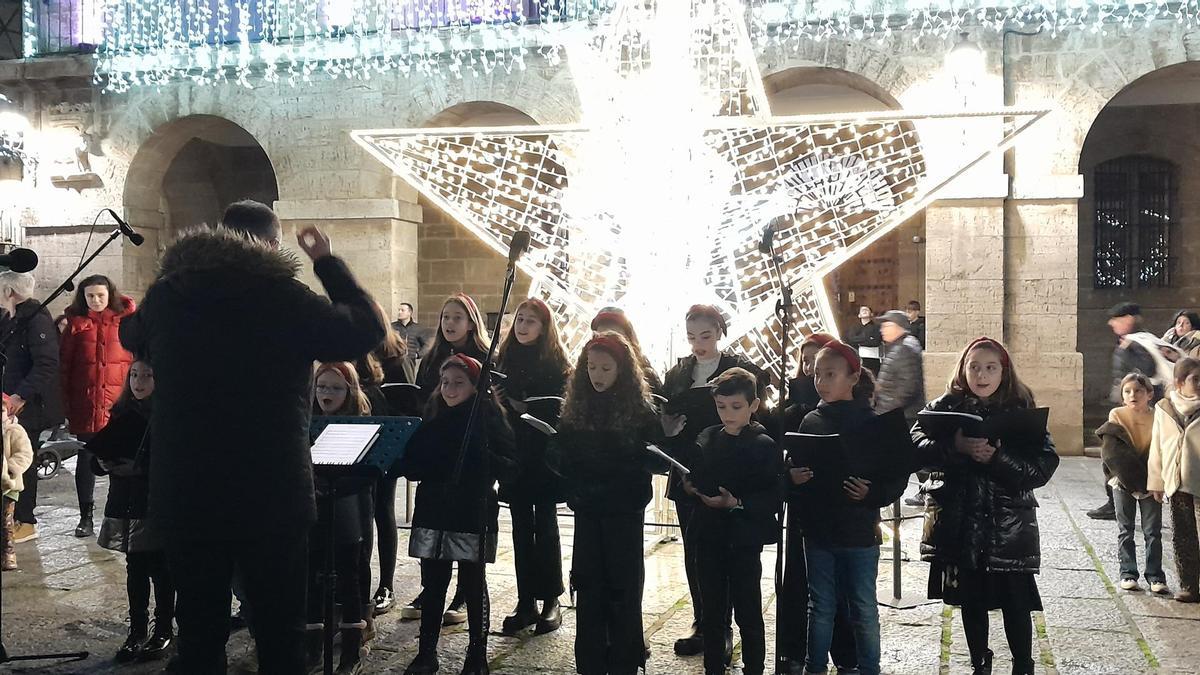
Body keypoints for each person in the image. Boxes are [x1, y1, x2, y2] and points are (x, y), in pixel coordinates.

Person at [118, 200, 385, 673]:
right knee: (279, 631)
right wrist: (326, 262)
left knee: (198, 632)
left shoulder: (169, 295)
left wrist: (170, 275)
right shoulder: (284, 296)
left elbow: (129, 331)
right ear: (272, 245)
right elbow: (366, 328)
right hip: (270, 488)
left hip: (188, 487)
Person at [911, 337, 1060, 675]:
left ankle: (1023, 664)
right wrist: (956, 446)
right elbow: (916, 444)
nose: (981, 374)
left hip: (1007, 527)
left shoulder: (1022, 408)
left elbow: (1043, 466)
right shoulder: (945, 406)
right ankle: (980, 661)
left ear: (1003, 371)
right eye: (974, 366)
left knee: (1016, 603)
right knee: (971, 600)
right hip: (961, 524)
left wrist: (998, 458)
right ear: (963, 369)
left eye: (990, 367)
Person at [551, 332, 666, 675]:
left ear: (622, 370)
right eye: (591, 367)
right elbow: (563, 450)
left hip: (623, 511)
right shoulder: (578, 406)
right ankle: (590, 662)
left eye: (605, 368)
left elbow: (654, 459)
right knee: (588, 586)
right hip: (588, 508)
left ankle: (624, 661)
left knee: (623, 587)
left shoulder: (640, 410)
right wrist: (558, 453)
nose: (597, 375)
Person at [395, 354, 515, 675]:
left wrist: (481, 453)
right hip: (435, 508)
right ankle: (426, 652)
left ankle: (477, 653)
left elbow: (507, 462)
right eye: (445, 382)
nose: (449, 389)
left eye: (458, 383)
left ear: (476, 387)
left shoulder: (487, 418)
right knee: (433, 583)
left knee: (473, 583)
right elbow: (413, 463)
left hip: (471, 508)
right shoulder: (434, 416)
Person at [792, 341, 907, 675]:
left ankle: (870, 668)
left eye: (830, 374)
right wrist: (794, 478)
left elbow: (894, 477)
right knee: (821, 607)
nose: (821, 382)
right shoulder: (811, 421)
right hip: (819, 533)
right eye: (817, 375)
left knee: (863, 607)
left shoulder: (873, 422)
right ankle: (815, 668)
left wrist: (871, 493)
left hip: (859, 533)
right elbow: (797, 472)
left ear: (853, 377)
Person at [659, 304, 766, 659]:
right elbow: (667, 412)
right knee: (696, 552)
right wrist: (667, 424)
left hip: (729, 470)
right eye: (691, 337)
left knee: (730, 552)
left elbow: (757, 416)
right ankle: (703, 620)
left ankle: (726, 622)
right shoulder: (679, 373)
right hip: (689, 467)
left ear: (719, 332)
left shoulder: (739, 370)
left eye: (705, 336)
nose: (698, 344)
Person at [676, 368, 781, 675]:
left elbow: (773, 495)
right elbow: (695, 472)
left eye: (736, 407)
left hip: (743, 538)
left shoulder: (763, 444)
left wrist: (736, 503)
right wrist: (690, 486)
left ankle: (755, 668)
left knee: (748, 610)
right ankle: (712, 667)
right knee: (711, 610)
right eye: (721, 407)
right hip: (709, 534)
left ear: (753, 405)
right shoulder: (708, 437)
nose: (728, 414)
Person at [402, 292, 491, 625]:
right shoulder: (432, 356)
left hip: (468, 457)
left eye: (457, 317)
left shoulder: (483, 356)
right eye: (445, 317)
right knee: (433, 534)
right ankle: (431, 590)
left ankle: (463, 596)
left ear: (471, 322)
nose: (450, 323)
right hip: (437, 453)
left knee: (465, 540)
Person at [89, 359, 175, 662]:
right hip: (124, 502)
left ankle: (163, 629)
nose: (139, 382)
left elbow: (174, 463)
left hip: (152, 504)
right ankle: (136, 629)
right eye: (134, 375)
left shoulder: (167, 415)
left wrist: (139, 469)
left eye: (148, 376)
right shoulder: (123, 410)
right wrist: (101, 462)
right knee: (135, 568)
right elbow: (100, 450)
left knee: (161, 569)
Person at [494, 298, 571, 636]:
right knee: (521, 528)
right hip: (516, 452)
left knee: (547, 526)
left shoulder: (556, 363)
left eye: (531, 321)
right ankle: (526, 600)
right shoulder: (504, 359)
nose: (523, 326)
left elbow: (563, 408)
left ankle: (551, 598)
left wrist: (527, 405)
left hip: (544, 453)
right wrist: (500, 402)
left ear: (544, 328)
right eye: (520, 320)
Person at [308, 362, 375, 673]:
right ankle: (312, 650)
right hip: (313, 509)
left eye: (335, 388)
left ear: (349, 392)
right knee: (312, 578)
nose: (326, 393)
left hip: (347, 509)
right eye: (321, 387)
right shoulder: (307, 423)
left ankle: (350, 653)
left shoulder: (358, 425)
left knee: (349, 578)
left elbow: (368, 473)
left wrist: (336, 487)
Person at [60, 274, 136, 538]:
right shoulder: (75, 325)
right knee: (87, 456)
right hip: (87, 401)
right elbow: (65, 367)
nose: (95, 300)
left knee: (118, 459)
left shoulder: (125, 322)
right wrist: (66, 405)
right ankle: (86, 516)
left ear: (110, 295)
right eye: (90, 296)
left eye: (100, 295)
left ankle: (118, 515)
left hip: (118, 403)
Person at [0, 270, 64, 546]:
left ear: (9, 292)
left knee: (24, 460)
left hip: (29, 405)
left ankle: (27, 520)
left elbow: (47, 364)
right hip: (9, 401)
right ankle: (10, 516)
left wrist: (20, 395)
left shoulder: (36, 319)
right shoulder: (10, 318)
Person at [1092, 302, 1166, 521]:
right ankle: (1115, 501)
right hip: (1123, 407)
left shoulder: (1139, 342)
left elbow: (1146, 372)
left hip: (1136, 410)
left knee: (1122, 455)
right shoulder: (1132, 341)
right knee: (1114, 455)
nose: (1111, 323)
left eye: (1117, 318)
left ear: (1130, 319)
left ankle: (1125, 502)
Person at [1098, 373, 1168, 595]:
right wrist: (1129, 478)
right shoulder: (1117, 414)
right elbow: (1114, 451)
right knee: (1125, 529)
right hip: (1123, 480)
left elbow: (1160, 448)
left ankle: (1155, 575)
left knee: (1152, 530)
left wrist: (1155, 479)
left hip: (1151, 479)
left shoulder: (1158, 416)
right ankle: (1127, 572)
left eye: (1138, 391)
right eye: (1127, 391)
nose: (1132, 395)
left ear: (1149, 394)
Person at [368, 311, 414, 618]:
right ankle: (355, 582)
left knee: (382, 509)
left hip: (386, 440)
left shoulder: (396, 357)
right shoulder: (354, 353)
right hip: (355, 436)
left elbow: (410, 401)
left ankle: (386, 585)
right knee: (359, 513)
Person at [1148, 357, 1200, 603]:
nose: (1199, 384)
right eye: (1195, 380)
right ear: (1179, 382)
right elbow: (1157, 446)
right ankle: (1188, 585)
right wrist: (1156, 481)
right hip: (1176, 480)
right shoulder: (1164, 408)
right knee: (1182, 534)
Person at [590, 307, 663, 394]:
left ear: (629, 341)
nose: (607, 345)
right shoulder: (583, 381)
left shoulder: (647, 379)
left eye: (614, 338)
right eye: (600, 338)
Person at [873, 309, 925, 424]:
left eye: (887, 326)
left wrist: (883, 411)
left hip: (903, 417)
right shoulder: (899, 346)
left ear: (899, 327)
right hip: (897, 415)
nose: (882, 330)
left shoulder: (904, 349)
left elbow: (908, 388)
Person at [1, 394, 32, 571]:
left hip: (9, 486)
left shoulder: (14, 431)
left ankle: (8, 552)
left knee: (6, 521)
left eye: (2, 410)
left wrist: (11, 469)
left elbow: (25, 455)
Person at [844, 306, 881, 375]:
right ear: (859, 315)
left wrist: (858, 341)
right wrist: (867, 338)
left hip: (872, 360)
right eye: (862, 310)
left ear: (871, 314)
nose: (864, 311)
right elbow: (850, 340)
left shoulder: (877, 327)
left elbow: (876, 342)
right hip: (856, 358)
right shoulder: (853, 327)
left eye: (866, 310)